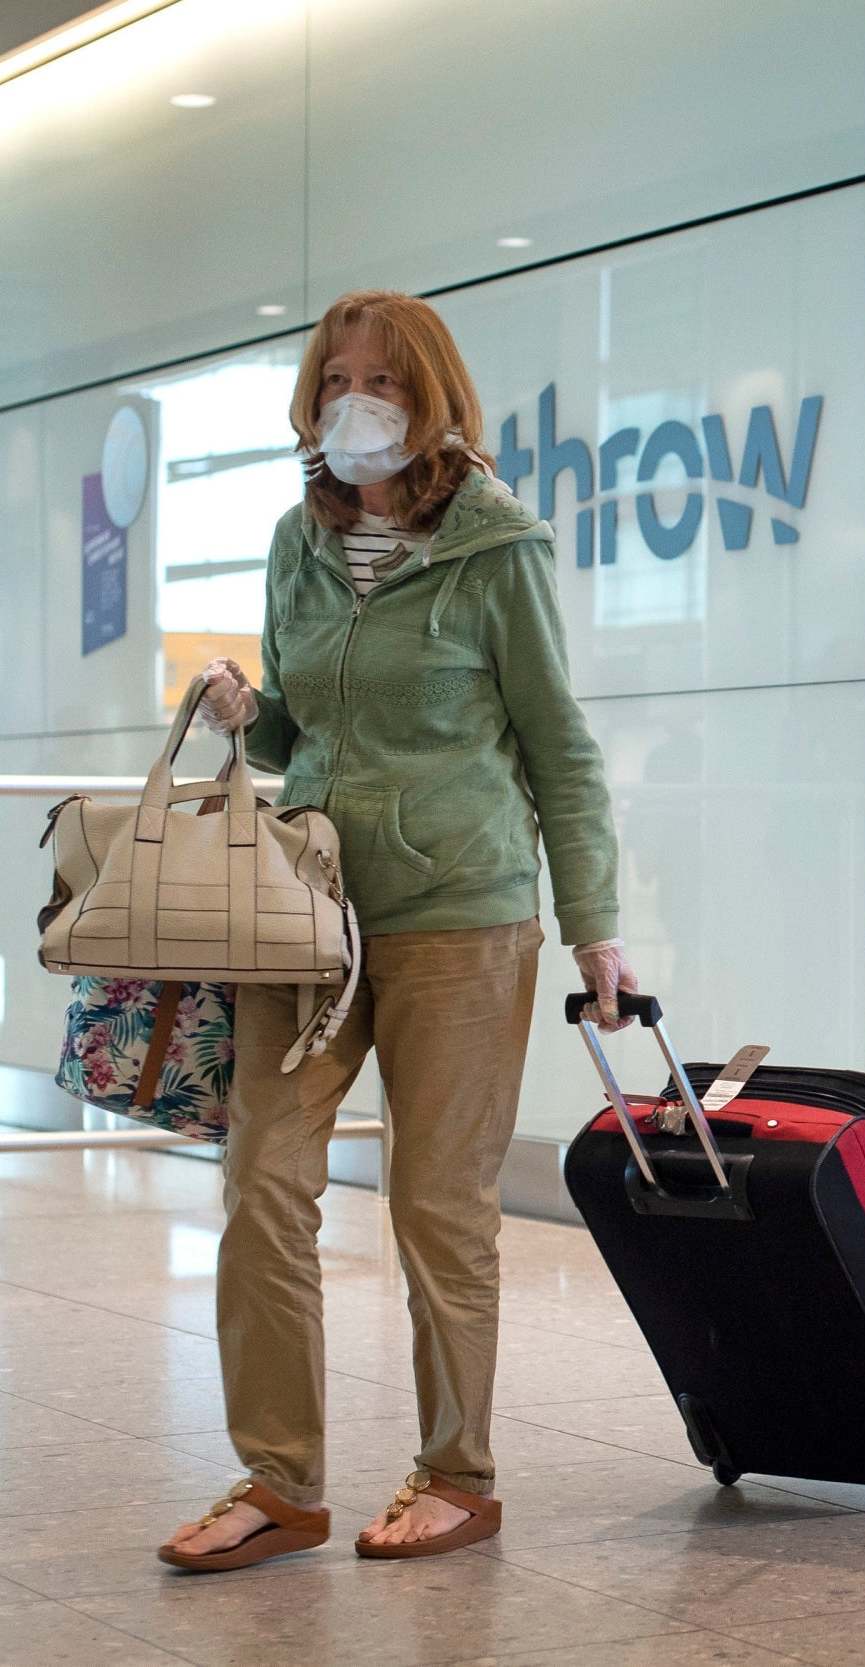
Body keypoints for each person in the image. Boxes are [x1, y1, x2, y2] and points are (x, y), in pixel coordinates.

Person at [157, 291, 637, 1571]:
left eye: (379, 378)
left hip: (459, 915)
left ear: (431, 397)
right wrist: (240, 708)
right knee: (262, 1178)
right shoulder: (292, 541)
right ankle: (279, 1479)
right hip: (305, 914)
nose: (352, 400)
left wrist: (594, 927)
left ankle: (459, 1472)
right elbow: (300, 729)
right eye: (333, 379)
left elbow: (560, 749)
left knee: (437, 1203)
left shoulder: (499, 544)